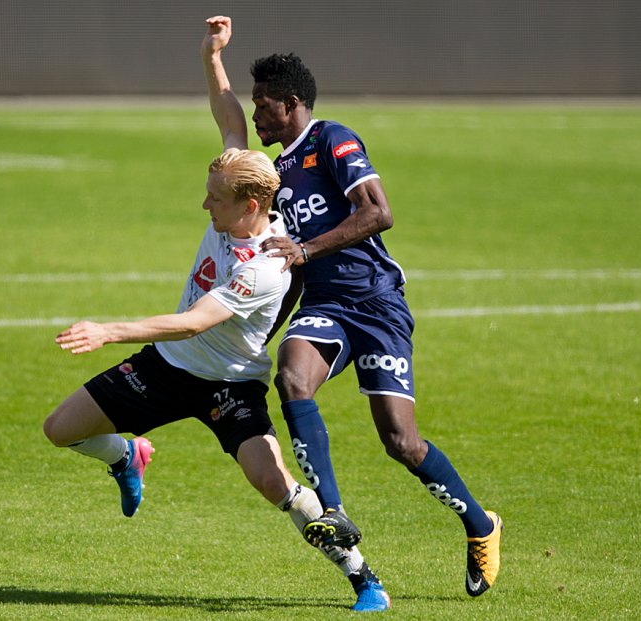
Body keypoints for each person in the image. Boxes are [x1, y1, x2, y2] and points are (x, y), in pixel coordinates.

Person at [42, 49, 388, 609]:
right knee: (60, 430)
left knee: (280, 489)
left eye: (215, 200)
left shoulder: (268, 265)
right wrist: (212, 56)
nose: (205, 204)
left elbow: (193, 322)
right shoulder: (239, 177)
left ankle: (365, 579)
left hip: (229, 386)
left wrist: (108, 330)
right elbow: (228, 115)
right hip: (166, 370)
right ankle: (127, 458)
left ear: (250, 205)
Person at [203, 16, 502, 598]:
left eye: (263, 104)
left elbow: (377, 212)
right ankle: (333, 511)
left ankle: (480, 524)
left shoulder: (332, 139)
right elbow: (289, 261)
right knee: (293, 377)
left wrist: (306, 247)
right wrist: (262, 329)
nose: (256, 114)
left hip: (377, 303)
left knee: (401, 442)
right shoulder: (270, 172)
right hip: (326, 303)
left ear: (290, 105)